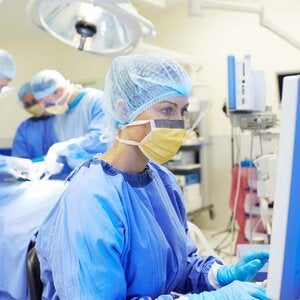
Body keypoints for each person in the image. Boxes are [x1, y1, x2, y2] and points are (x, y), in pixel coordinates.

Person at [36, 53, 269, 299]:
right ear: (124, 109)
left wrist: (219, 274)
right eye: (167, 109)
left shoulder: (162, 180)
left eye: (183, 110)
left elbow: (179, 265)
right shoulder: (91, 198)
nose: (178, 122)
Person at [30, 69, 111, 174]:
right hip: (78, 176)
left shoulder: (97, 101)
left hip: (104, 174)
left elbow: (100, 141)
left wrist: (61, 148)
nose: (46, 107)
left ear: (60, 90)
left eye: (47, 102)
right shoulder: (59, 117)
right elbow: (67, 158)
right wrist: (49, 164)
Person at [12, 82, 56, 159]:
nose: (32, 106)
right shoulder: (24, 128)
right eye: (28, 105)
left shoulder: (61, 119)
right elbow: (19, 159)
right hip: (33, 170)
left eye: (34, 101)